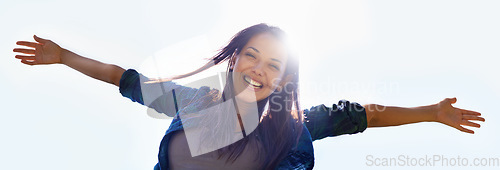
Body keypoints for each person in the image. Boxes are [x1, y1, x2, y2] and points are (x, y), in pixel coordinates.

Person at [14, 23, 485, 170]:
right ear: (236, 59)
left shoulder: (290, 123)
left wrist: (432, 113)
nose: (259, 69)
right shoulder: (193, 104)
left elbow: (362, 115)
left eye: (274, 66)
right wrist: (64, 56)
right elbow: (126, 79)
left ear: (282, 81)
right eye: (252, 56)